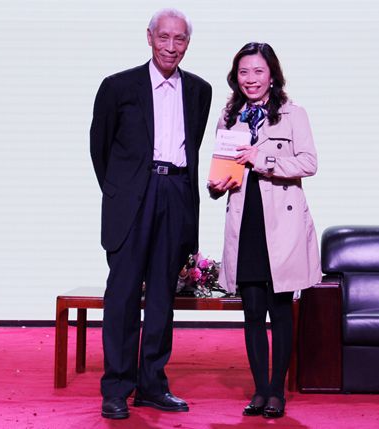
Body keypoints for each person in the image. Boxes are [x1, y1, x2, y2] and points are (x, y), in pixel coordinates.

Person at [90, 8, 212, 420]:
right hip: (133, 199)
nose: (171, 47)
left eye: (180, 39)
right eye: (164, 37)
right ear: (149, 37)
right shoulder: (118, 86)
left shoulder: (199, 90)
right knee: (123, 295)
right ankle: (116, 388)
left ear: (188, 43)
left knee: (162, 297)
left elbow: (193, 145)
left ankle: (152, 385)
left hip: (175, 193)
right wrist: (122, 191)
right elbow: (100, 148)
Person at [208, 42, 321, 419]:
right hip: (246, 221)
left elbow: (309, 163)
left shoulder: (293, 114)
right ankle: (259, 390)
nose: (251, 79)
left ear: (272, 75)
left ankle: (277, 391)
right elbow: (221, 168)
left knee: (280, 310)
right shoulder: (229, 116)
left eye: (258, 71)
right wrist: (215, 185)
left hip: (282, 223)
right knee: (252, 311)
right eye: (244, 72)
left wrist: (263, 159)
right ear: (235, 77)